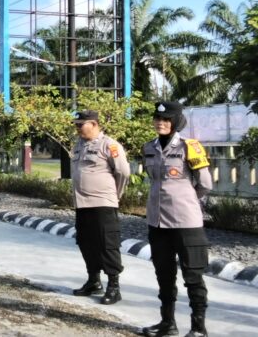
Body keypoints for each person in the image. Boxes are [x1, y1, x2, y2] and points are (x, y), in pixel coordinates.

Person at [141, 101, 212, 337]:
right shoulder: (148, 147)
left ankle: (198, 328)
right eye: (158, 119)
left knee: (193, 277)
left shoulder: (189, 147)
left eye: (166, 119)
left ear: (176, 122)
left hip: (186, 223)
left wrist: (186, 201)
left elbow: (204, 184)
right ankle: (167, 323)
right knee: (164, 275)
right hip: (157, 222)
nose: (161, 122)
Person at [69, 110, 129, 305]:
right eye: (76, 125)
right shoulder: (78, 146)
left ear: (94, 124)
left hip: (103, 203)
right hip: (82, 203)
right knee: (86, 242)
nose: (77, 128)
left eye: (81, 125)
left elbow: (123, 173)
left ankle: (114, 286)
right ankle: (93, 281)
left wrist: (113, 195)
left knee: (107, 244)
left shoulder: (109, 145)